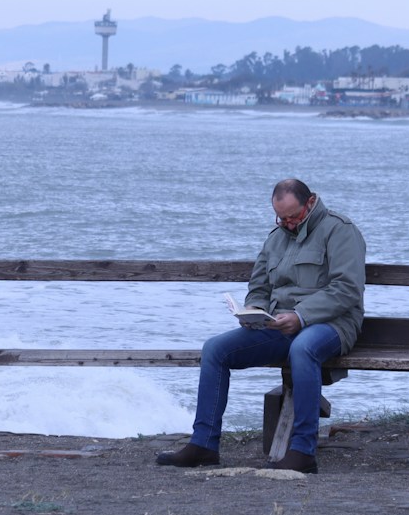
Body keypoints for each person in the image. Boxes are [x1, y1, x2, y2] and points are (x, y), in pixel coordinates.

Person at [156, 178, 365, 474]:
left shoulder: (341, 231)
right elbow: (259, 286)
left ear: (311, 202)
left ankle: (303, 451)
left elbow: (347, 289)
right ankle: (203, 444)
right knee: (215, 349)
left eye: (294, 216)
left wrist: (301, 315)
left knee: (303, 349)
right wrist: (255, 310)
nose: (288, 224)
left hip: (332, 325)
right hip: (278, 324)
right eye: (282, 217)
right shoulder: (276, 237)